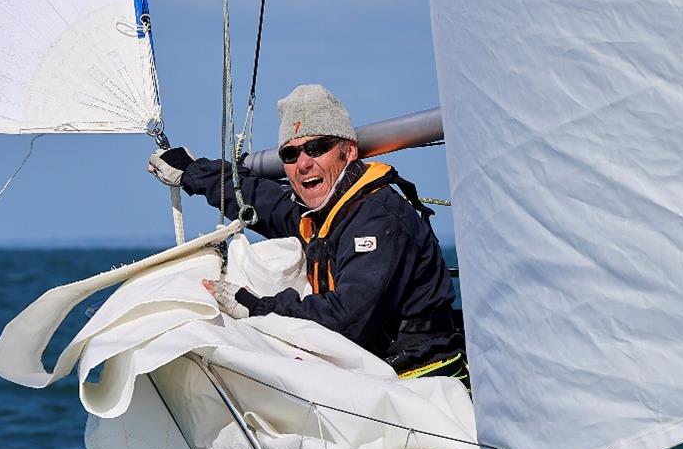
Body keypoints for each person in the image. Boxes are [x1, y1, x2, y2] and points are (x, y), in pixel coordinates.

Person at [148, 84, 465, 379]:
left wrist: (257, 307)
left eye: (317, 147)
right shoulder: (318, 213)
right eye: (290, 153)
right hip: (370, 372)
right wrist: (193, 172)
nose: (303, 163)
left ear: (348, 151)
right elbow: (259, 199)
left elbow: (347, 318)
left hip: (424, 376)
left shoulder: (377, 218)